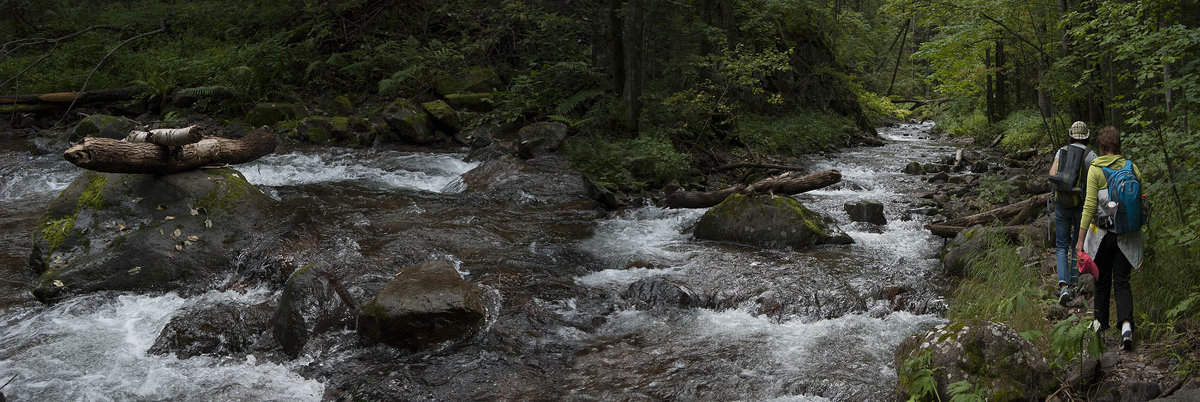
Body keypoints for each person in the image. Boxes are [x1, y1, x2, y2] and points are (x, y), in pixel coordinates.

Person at [1075, 126, 1145, 351]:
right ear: (1118, 145)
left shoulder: (1095, 169)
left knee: (1101, 282)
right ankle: (1126, 328)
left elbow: (1089, 206)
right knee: (1122, 281)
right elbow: (1140, 203)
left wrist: (1079, 241)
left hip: (1103, 237)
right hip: (1127, 235)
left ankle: (1099, 331)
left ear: (1101, 146)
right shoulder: (1132, 167)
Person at [1048, 121, 1097, 305]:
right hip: (1082, 205)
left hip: (1061, 204)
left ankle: (1063, 287)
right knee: (1078, 243)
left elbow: (1052, 175)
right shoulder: (1091, 155)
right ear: (1086, 136)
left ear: (1071, 135)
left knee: (1061, 245)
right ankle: (1075, 283)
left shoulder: (1062, 151)